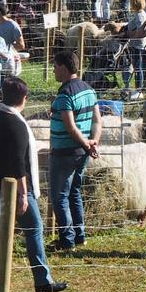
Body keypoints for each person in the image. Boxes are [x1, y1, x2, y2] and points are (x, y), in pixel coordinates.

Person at [0, 75, 67, 292]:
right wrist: (23, 194)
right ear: (24, 98)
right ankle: (43, 280)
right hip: (14, 188)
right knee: (34, 228)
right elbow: (18, 163)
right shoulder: (17, 124)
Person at [48, 50, 99, 252]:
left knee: (60, 196)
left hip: (66, 151)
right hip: (82, 152)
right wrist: (93, 141)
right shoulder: (88, 89)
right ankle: (80, 236)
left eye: (55, 66)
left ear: (63, 67)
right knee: (74, 193)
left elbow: (70, 127)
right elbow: (96, 119)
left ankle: (67, 241)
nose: (53, 70)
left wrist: (87, 144)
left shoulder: (66, 93)